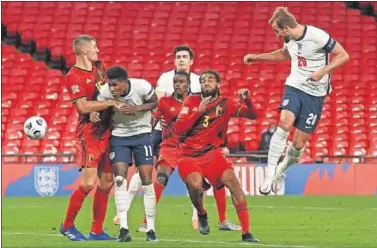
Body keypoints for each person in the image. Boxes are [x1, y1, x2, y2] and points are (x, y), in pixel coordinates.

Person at [126, 45, 240, 232]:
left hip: (193, 145)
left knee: (216, 179)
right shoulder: (165, 98)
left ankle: (221, 220)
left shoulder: (197, 97)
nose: (178, 85)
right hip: (169, 144)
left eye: (182, 83)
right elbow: (154, 116)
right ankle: (146, 220)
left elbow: (214, 113)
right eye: (176, 83)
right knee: (159, 176)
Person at [243, 6, 350, 195]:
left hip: (315, 94)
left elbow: (343, 55)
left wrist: (322, 72)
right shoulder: (289, 40)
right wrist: (257, 58)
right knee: (284, 123)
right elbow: (285, 54)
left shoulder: (317, 36)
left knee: (299, 143)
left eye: (277, 31)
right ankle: (269, 174)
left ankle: (281, 172)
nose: (276, 35)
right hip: (294, 86)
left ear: (286, 28)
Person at [175, 70, 259, 242]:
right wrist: (198, 111)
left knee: (234, 183)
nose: (206, 83)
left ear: (218, 84)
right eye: (203, 80)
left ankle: (246, 233)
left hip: (213, 154)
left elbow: (253, 116)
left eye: (210, 80)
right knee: (196, 186)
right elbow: (179, 129)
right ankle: (201, 213)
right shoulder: (191, 101)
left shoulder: (225, 104)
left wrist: (247, 100)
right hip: (188, 156)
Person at [60, 35, 123, 241]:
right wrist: (104, 106)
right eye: (94, 47)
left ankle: (96, 231)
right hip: (90, 134)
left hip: (107, 131)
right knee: (88, 184)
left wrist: (99, 108)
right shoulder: (74, 76)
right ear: (84, 51)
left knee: (106, 182)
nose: (98, 50)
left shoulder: (100, 69)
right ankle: (67, 225)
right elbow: (82, 106)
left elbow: (99, 98)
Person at [94, 65, 158, 242]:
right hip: (120, 136)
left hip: (143, 135)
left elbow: (155, 102)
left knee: (146, 181)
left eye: (115, 85)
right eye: (110, 85)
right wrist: (95, 114)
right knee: (120, 180)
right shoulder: (106, 91)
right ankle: (123, 229)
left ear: (125, 82)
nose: (112, 89)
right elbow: (99, 108)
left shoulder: (141, 86)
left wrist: (136, 109)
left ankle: (151, 229)